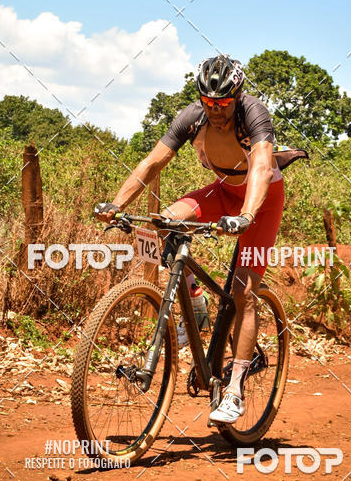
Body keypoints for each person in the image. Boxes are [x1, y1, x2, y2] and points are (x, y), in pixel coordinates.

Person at [95, 55, 305, 424]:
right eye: (210, 102)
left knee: (243, 292)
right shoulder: (192, 117)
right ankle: (196, 300)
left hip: (262, 199)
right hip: (223, 190)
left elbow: (259, 167)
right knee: (166, 222)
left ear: (237, 96)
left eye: (224, 102)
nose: (217, 109)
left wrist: (246, 216)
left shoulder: (254, 114)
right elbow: (152, 162)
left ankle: (235, 388)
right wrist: (116, 203)